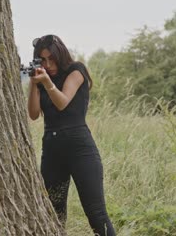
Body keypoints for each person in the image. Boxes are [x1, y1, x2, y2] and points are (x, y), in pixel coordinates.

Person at [27, 34, 116, 236]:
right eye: (43, 60)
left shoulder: (76, 71)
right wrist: (33, 82)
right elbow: (33, 114)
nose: (48, 64)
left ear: (61, 55)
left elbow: (62, 102)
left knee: (96, 213)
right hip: (52, 149)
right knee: (54, 213)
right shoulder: (42, 79)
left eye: (51, 59)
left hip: (80, 148)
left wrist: (47, 82)